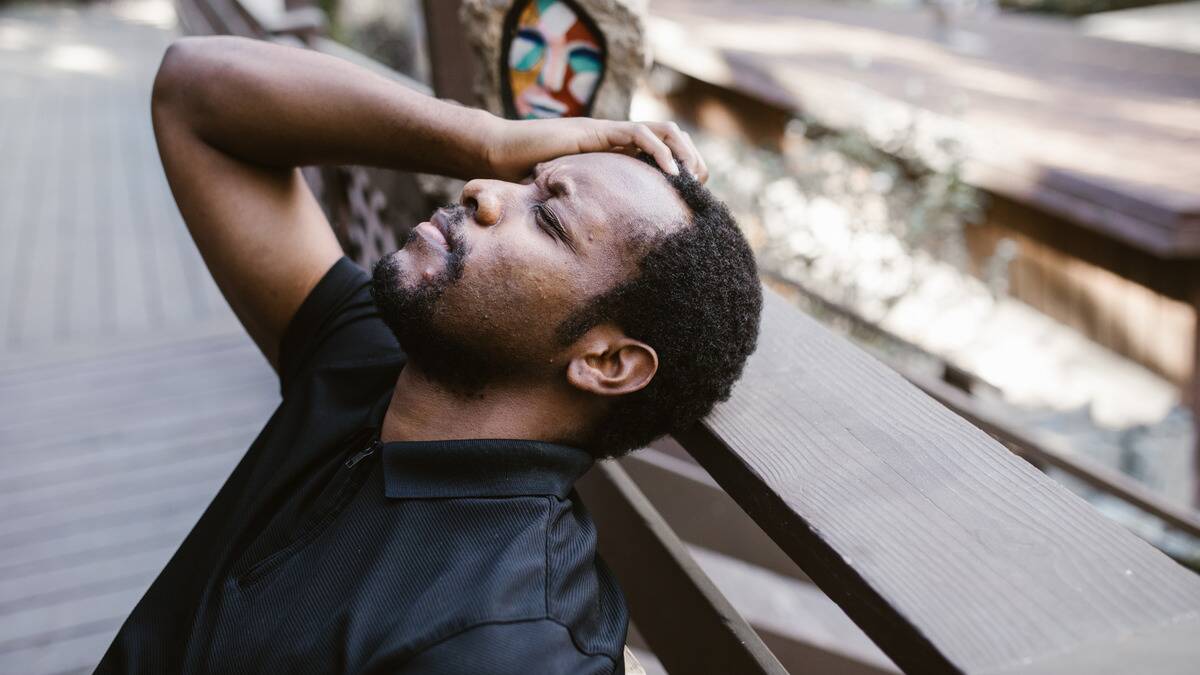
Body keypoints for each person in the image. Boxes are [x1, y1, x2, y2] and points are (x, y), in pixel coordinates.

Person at [96, 35, 761, 674]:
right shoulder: (370, 361)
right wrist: (485, 135)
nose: (481, 189)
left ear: (608, 361)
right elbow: (194, 88)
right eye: (527, 180)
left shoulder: (513, 641)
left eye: (549, 219)